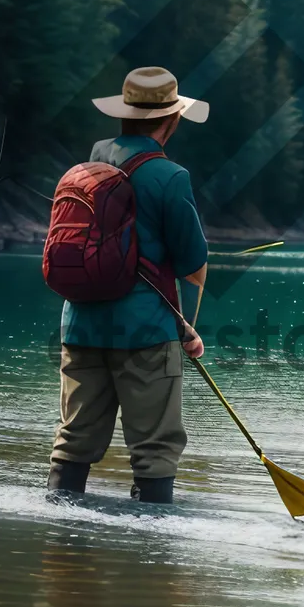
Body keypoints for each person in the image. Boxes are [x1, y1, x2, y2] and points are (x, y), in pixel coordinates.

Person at [46, 66, 209, 504]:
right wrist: (187, 327)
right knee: (155, 450)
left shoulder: (87, 166)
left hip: (78, 323)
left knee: (73, 440)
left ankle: (60, 537)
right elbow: (193, 262)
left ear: (123, 115)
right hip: (145, 332)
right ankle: (153, 556)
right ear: (171, 121)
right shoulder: (170, 176)